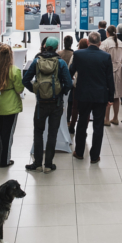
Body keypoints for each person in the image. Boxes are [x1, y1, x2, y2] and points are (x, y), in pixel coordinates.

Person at [23, 37, 73, 172]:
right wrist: (60, 93)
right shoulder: (61, 63)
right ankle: (49, 164)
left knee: (38, 132)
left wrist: (36, 91)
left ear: (44, 46)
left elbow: (25, 80)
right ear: (57, 48)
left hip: (41, 104)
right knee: (52, 133)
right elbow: (69, 83)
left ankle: (37, 163)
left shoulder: (36, 61)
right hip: (56, 103)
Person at [68, 32, 115, 163]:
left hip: (83, 95)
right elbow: (109, 79)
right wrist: (111, 97)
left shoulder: (78, 54)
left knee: (82, 123)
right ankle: (95, 156)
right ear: (100, 43)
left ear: (88, 42)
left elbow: (70, 72)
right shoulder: (106, 57)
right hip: (100, 96)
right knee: (98, 126)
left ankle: (79, 152)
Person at [0, 44, 23, 168]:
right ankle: (4, 160)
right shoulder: (15, 70)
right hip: (10, 107)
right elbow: (19, 89)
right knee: (7, 136)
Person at [100, 25, 122, 126]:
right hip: (119, 70)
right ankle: (115, 118)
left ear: (107, 33)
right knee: (117, 96)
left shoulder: (104, 43)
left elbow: (101, 58)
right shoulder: (121, 43)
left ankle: (106, 119)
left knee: (108, 95)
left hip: (109, 70)